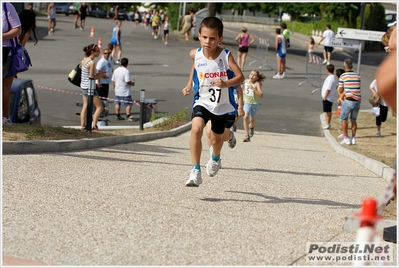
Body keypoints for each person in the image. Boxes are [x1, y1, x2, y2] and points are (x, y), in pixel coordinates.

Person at [181, 17, 244, 187]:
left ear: (220, 39)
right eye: (204, 37)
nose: (207, 42)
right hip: (202, 100)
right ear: (199, 36)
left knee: (216, 140)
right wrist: (188, 85)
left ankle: (215, 159)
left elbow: (240, 77)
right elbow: (196, 66)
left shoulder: (225, 56)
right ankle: (195, 170)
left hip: (220, 104)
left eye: (212, 38)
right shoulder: (196, 53)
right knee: (196, 129)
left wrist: (226, 83)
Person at [79, 44, 108, 131]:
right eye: (98, 51)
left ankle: (83, 125)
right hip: (89, 87)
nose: (99, 52)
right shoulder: (92, 63)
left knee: (85, 106)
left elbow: (89, 74)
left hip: (83, 86)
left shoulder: (84, 60)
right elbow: (92, 78)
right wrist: (101, 76)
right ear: (93, 52)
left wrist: (99, 74)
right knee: (100, 107)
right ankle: (94, 125)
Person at [2, 2, 22, 125]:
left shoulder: (6, 6)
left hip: (5, 52)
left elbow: (17, 29)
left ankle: (5, 117)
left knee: (5, 87)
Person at [337, 59, 361, 145]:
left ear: (344, 67)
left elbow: (340, 89)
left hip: (348, 100)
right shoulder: (358, 76)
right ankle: (353, 138)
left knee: (344, 119)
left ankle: (346, 138)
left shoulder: (343, 76)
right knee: (353, 120)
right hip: (357, 101)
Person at [242, 70, 265, 142]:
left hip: (254, 103)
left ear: (257, 77)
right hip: (247, 102)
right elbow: (243, 89)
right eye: (251, 74)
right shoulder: (246, 81)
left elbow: (261, 95)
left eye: (254, 75)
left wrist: (254, 89)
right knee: (245, 117)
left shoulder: (257, 84)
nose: (252, 76)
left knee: (252, 119)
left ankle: (251, 127)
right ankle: (246, 135)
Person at [320, 64, 338, 130]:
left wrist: (325, 96)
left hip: (328, 97)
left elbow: (328, 88)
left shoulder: (330, 78)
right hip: (329, 97)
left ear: (327, 70)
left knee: (327, 111)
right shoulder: (333, 77)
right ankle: (327, 123)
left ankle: (328, 123)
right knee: (327, 111)